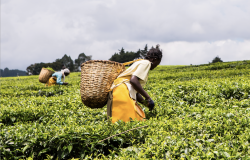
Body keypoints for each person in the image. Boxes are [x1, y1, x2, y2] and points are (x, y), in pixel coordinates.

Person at [107, 45, 162, 123]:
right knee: (133, 121)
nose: (157, 65)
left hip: (116, 91)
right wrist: (148, 98)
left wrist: (146, 103)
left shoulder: (140, 62)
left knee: (116, 122)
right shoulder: (146, 63)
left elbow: (134, 91)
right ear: (154, 59)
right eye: (158, 63)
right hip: (122, 91)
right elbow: (133, 81)